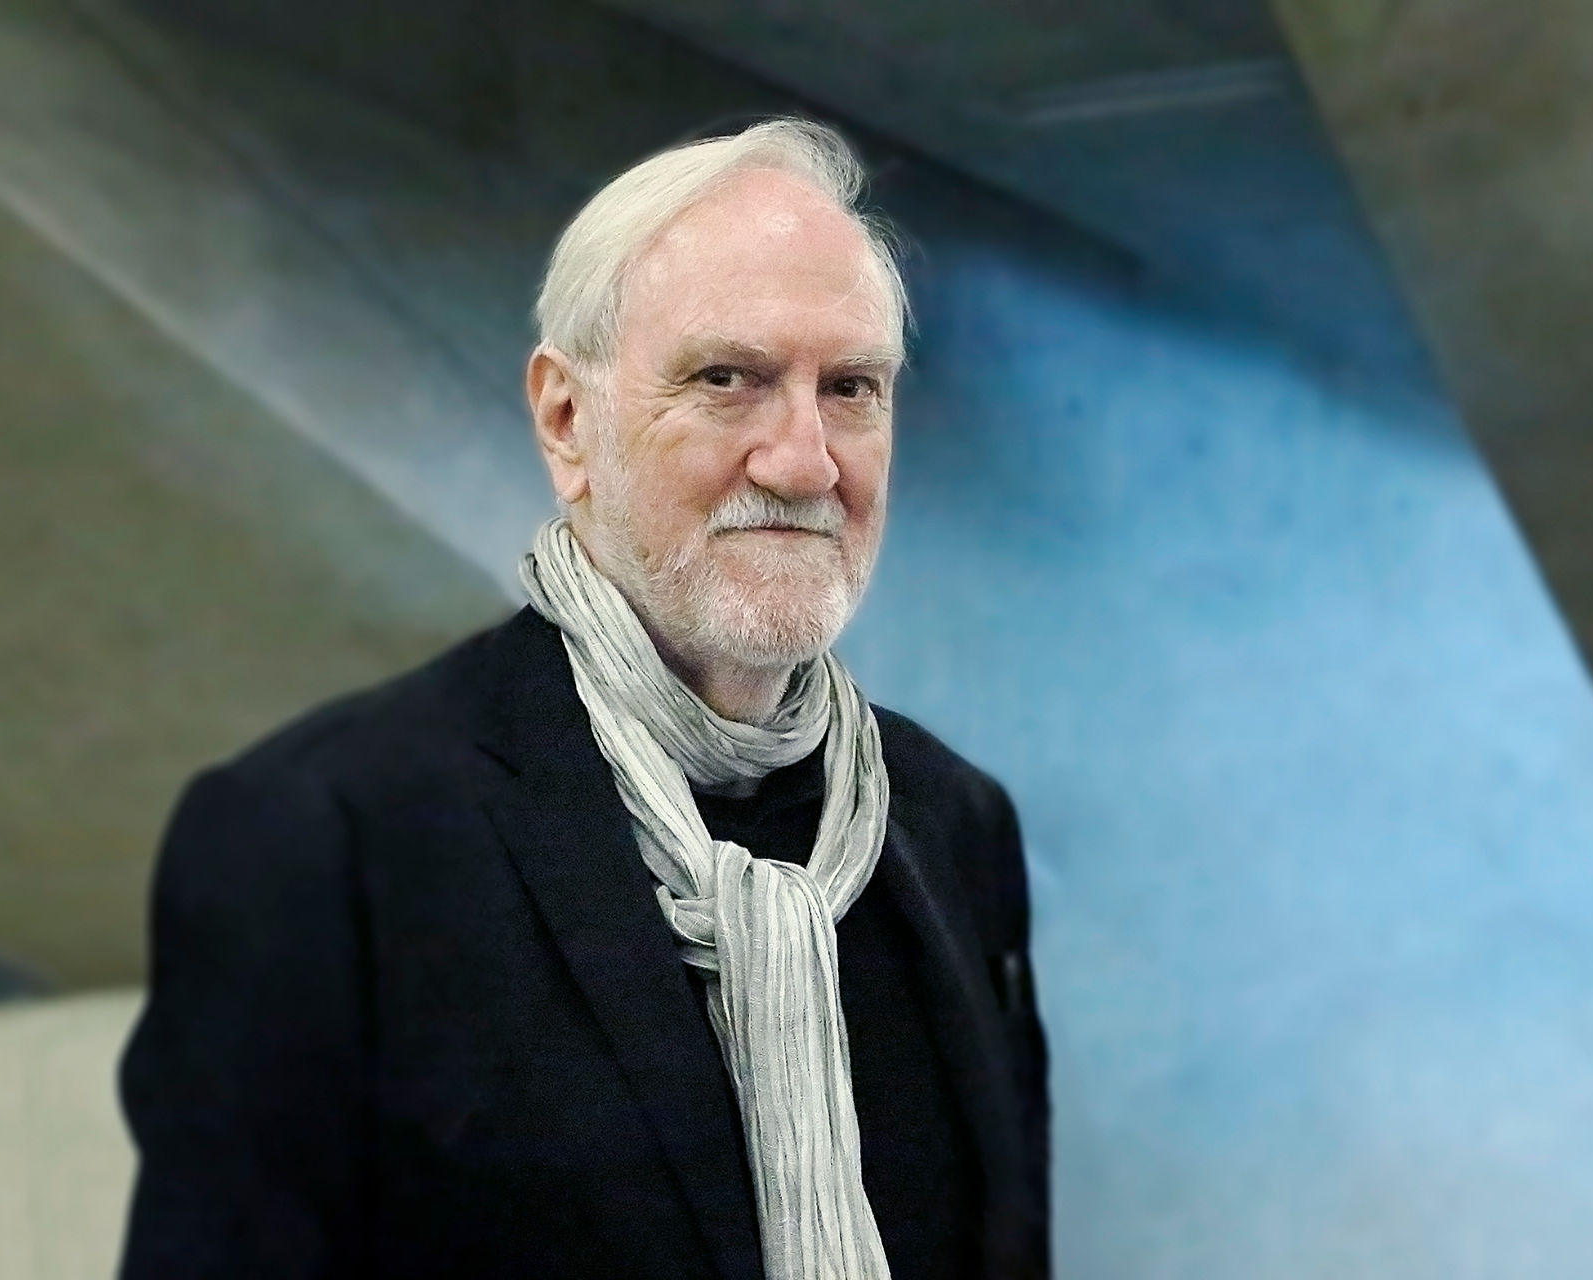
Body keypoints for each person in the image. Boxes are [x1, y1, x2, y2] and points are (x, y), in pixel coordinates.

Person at [118, 118, 1048, 1280]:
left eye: (851, 387)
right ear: (568, 421)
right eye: (728, 379)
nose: (805, 460)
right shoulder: (322, 840)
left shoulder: (953, 826)